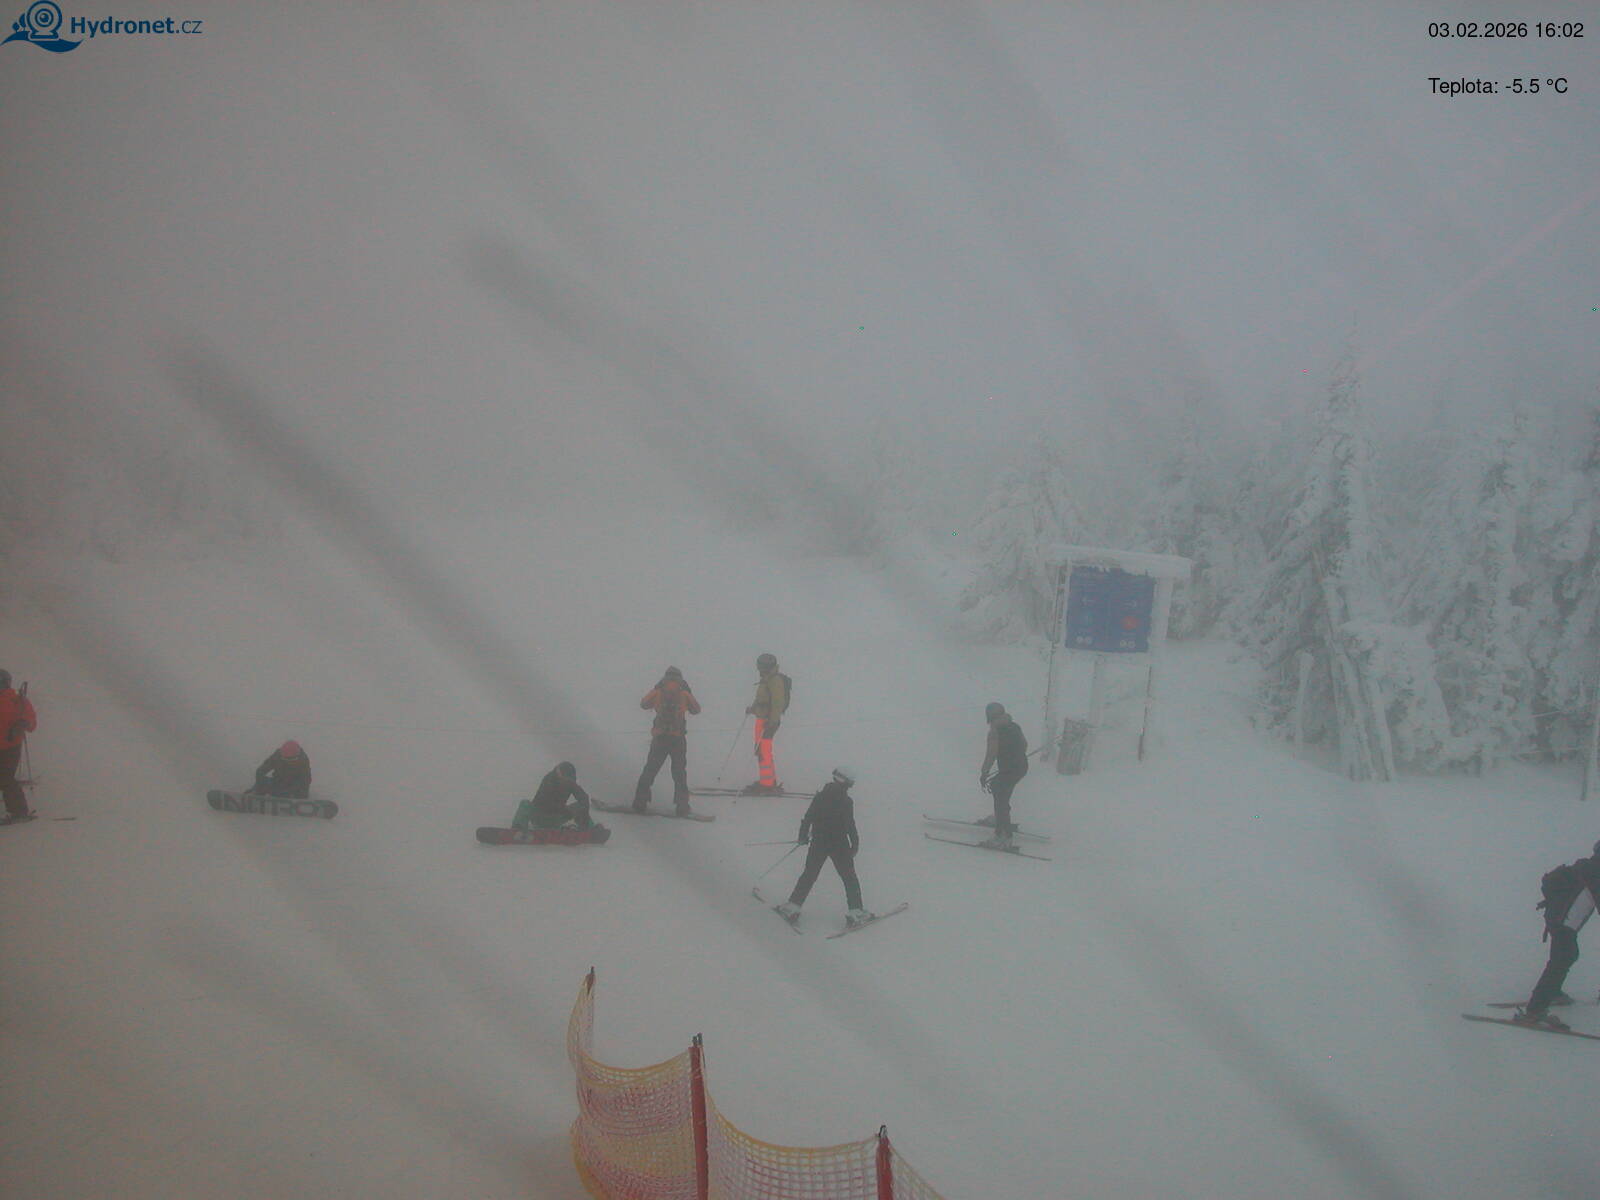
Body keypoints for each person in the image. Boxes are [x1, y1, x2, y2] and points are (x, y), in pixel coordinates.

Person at [1515, 840, 1600, 1029]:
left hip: (1557, 918)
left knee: (1565, 957)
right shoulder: (1595, 872)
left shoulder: (1586, 866)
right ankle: (1535, 1010)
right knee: (1563, 959)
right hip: (1563, 922)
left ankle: (1552, 993)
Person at [774, 767, 873, 928]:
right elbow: (850, 824)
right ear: (846, 783)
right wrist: (855, 843)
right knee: (849, 877)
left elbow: (808, 817)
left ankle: (792, 907)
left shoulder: (820, 796)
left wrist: (803, 835)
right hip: (839, 845)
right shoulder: (846, 801)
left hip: (819, 842)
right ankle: (856, 912)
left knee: (809, 874)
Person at [634, 666, 701, 815]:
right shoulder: (683, 693)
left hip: (660, 737)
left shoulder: (659, 691)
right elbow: (696, 710)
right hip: (678, 738)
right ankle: (682, 806)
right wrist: (688, 692)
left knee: (650, 770)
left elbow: (644, 704)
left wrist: (656, 688)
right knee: (679, 773)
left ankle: (640, 802)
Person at [978, 701, 1029, 849]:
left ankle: (1003, 836)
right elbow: (1024, 745)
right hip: (1021, 767)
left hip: (1008, 770)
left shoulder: (995, 732)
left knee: (1000, 795)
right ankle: (1000, 818)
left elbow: (991, 754)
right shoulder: (1015, 726)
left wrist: (984, 773)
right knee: (1001, 790)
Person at [742, 652, 790, 794]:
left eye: (760, 666)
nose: (759, 669)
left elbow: (777, 703)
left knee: (764, 751)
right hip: (762, 720)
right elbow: (762, 700)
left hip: (768, 722)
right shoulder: (766, 679)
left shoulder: (775, 681)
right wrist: (753, 709)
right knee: (761, 750)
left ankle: (767, 784)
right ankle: (768, 781)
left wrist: (772, 721)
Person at [512, 761, 601, 832]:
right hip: (539, 816)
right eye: (565, 778)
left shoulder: (570, 783)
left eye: (568, 779)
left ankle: (591, 831)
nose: (566, 781)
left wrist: (584, 816)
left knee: (580, 806)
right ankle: (518, 829)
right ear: (559, 773)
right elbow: (546, 802)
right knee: (525, 803)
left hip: (557, 818)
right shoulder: (549, 780)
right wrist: (564, 810)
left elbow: (583, 798)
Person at [0, 670, 38, 821]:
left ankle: (18, 811)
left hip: (10, 746)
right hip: (9, 743)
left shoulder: (17, 699)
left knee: (5, 777)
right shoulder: (17, 699)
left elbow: (31, 721)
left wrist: (24, 723)